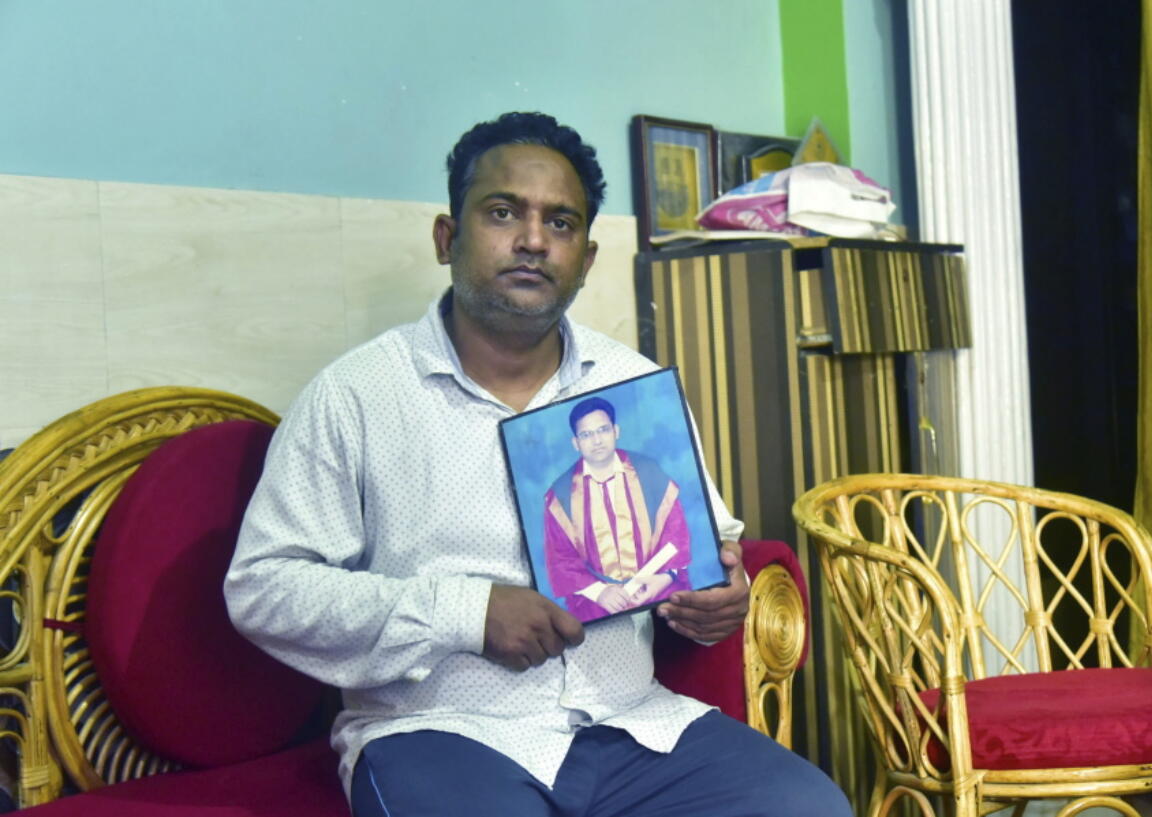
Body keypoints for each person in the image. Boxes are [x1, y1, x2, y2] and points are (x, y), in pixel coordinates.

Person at [225, 111, 850, 817]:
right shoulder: (357, 396)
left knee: (812, 807)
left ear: (585, 259)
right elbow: (263, 588)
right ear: (447, 237)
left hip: (633, 724)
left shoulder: (632, 389)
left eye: (560, 223)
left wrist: (717, 598)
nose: (531, 240)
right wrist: (467, 611)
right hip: (443, 733)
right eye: (502, 213)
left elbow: (711, 548)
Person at [544, 396, 692, 620]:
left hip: (656, 589)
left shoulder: (649, 472)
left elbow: (675, 531)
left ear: (616, 431)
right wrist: (599, 592)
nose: (597, 441)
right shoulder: (560, 495)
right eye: (586, 434)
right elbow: (560, 558)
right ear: (576, 443)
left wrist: (663, 578)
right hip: (599, 604)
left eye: (603, 430)